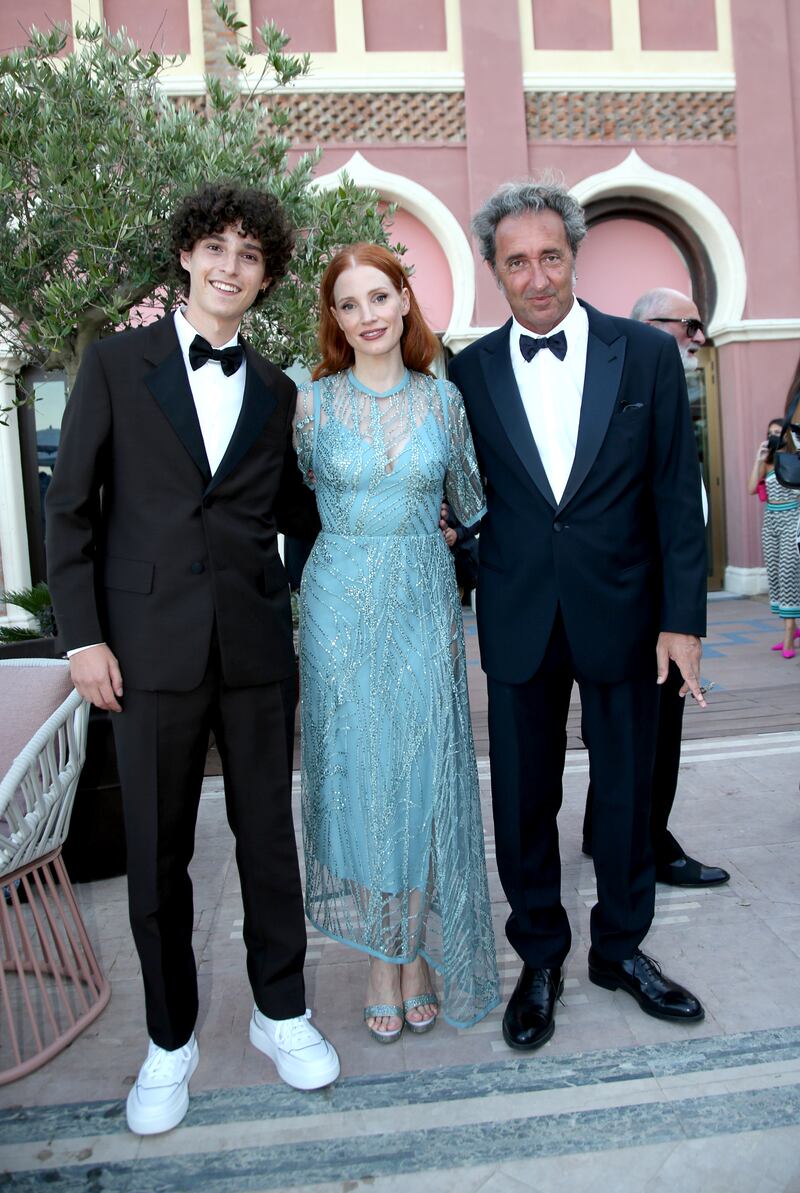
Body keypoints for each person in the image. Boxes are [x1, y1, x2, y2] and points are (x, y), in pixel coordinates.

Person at [45, 182, 340, 1136]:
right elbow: (72, 512)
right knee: (156, 854)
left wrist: (314, 562)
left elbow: (298, 516)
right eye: (215, 247)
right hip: (145, 655)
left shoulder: (280, 390)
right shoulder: (115, 365)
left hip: (255, 652)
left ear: (265, 278)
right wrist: (83, 636)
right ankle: (168, 1040)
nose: (228, 266)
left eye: (249, 256)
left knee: (268, 842)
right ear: (186, 256)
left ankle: (280, 1009)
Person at [449, 180, 708, 1053]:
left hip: (627, 612)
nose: (537, 276)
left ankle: (621, 949)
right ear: (494, 270)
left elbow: (677, 496)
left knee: (629, 792)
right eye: (516, 261)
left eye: (550, 256)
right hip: (519, 613)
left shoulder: (644, 355)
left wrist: (685, 621)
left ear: (575, 254)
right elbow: (459, 497)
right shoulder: (468, 371)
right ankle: (542, 957)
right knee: (523, 799)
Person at [294, 243, 499, 1042]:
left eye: (380, 297)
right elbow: (298, 500)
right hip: (339, 610)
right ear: (335, 318)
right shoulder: (311, 405)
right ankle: (386, 958)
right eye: (349, 304)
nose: (368, 316)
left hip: (422, 603)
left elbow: (472, 502)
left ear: (405, 301)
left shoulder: (445, 404)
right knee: (360, 780)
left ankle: (414, 948)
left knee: (419, 781)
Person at [582, 288, 730, 887]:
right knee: (648, 736)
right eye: (688, 324)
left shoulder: (658, 387)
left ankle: (611, 830)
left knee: (644, 732)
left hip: (656, 598)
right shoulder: (622, 389)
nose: (697, 337)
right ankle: (648, 844)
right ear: (648, 327)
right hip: (633, 597)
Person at [748, 418, 800, 655]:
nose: (773, 436)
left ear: (787, 435)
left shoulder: (795, 458)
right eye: (770, 433)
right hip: (771, 521)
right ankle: (791, 626)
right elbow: (751, 488)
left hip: (793, 517)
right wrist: (759, 459)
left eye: (778, 432)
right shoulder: (768, 462)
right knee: (776, 575)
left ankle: (789, 636)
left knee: (788, 573)